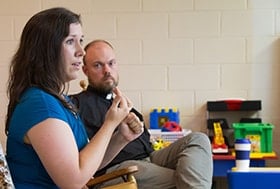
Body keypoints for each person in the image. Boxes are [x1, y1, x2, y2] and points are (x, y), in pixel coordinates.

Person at [5, 8, 143, 189]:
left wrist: (121, 138)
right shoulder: (40, 104)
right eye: (70, 41)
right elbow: (74, 180)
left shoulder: (56, 99)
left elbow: (85, 167)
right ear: (46, 51)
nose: (81, 52)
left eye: (81, 41)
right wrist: (110, 124)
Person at [71, 39, 213, 189]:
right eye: (98, 65)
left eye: (111, 63)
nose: (107, 70)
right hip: (118, 167)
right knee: (186, 179)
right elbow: (83, 160)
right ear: (85, 71)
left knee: (198, 139)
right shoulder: (76, 105)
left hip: (151, 157)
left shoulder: (123, 103)